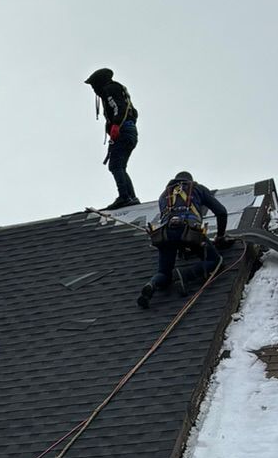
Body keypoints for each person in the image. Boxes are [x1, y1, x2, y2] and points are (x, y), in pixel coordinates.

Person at [137, 172, 230, 309]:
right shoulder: (197, 188)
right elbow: (221, 212)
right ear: (190, 180)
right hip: (189, 232)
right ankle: (185, 274)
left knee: (164, 273)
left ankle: (151, 285)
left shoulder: (164, 195)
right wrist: (220, 236)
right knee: (216, 262)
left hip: (165, 235)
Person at [85, 67, 140, 206]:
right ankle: (131, 197)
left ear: (99, 82)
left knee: (115, 165)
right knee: (120, 165)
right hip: (129, 130)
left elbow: (119, 107)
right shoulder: (118, 89)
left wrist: (116, 125)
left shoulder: (110, 89)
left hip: (123, 130)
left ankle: (125, 197)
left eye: (93, 85)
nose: (93, 89)